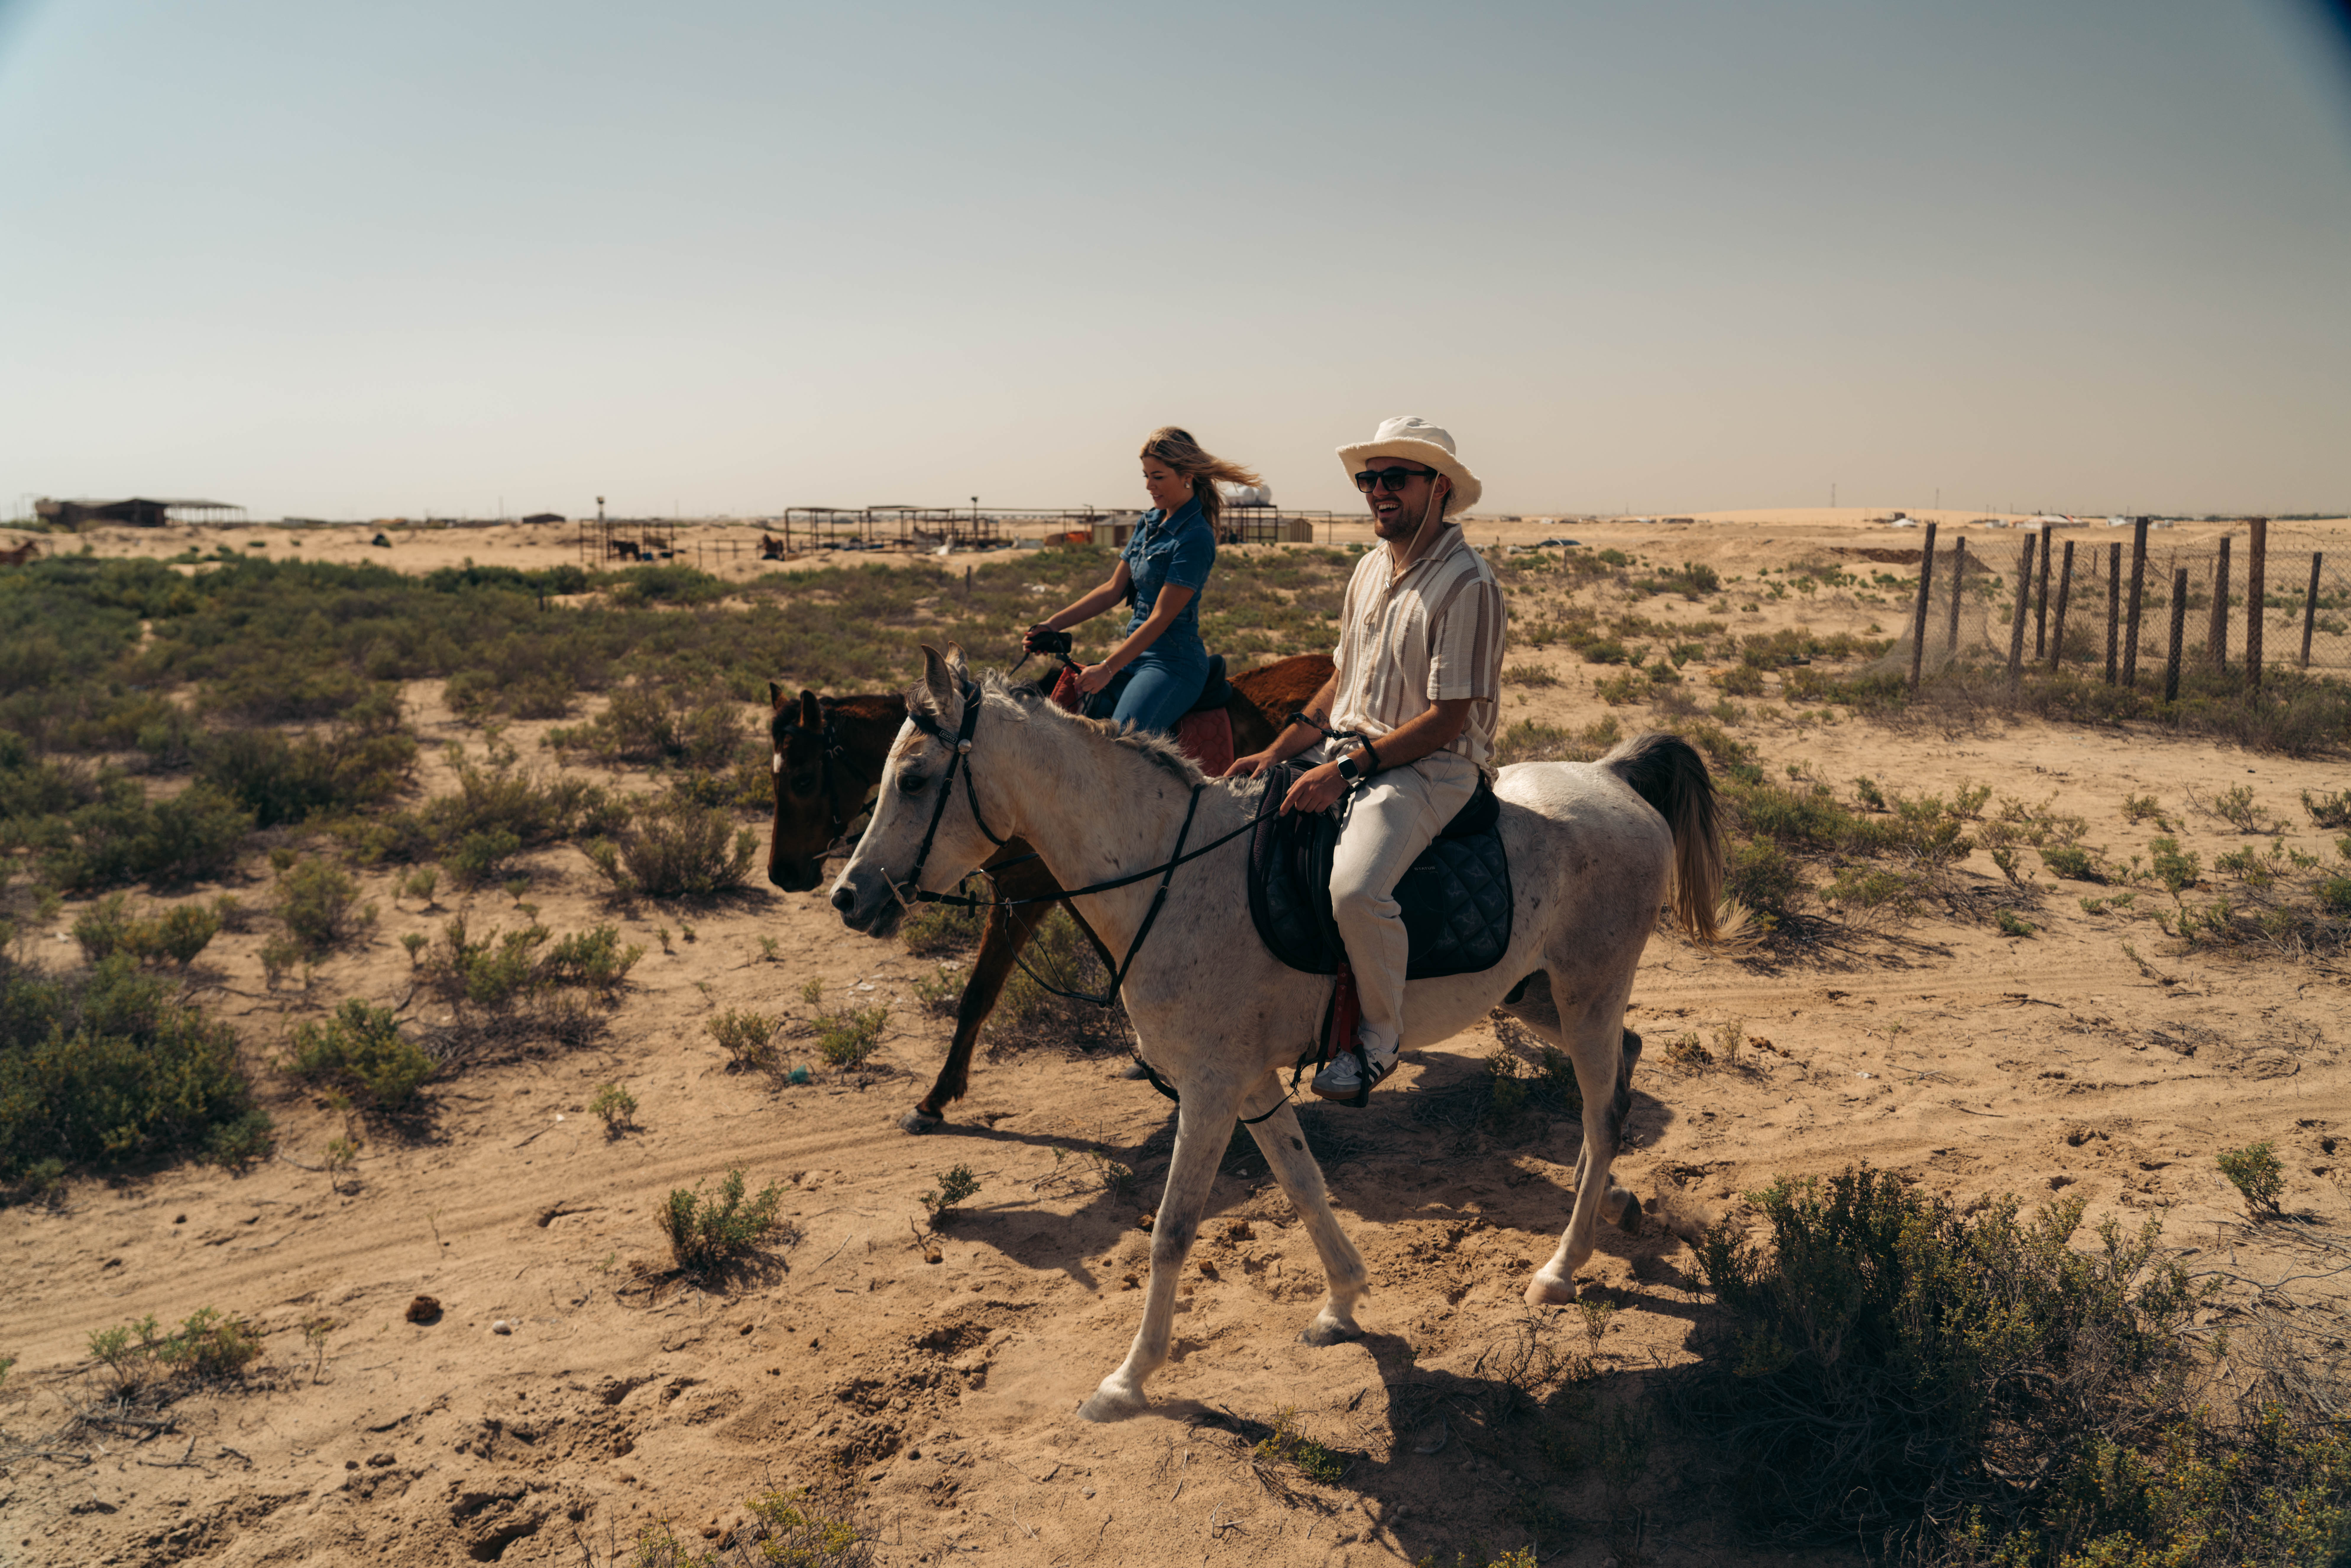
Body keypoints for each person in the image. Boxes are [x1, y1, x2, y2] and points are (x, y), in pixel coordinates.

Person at [1224, 416, 1504, 1103]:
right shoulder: (1370, 569)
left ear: (1439, 487)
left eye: (1394, 478)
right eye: (1368, 479)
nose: (1377, 491)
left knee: (1356, 891)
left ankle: (1378, 1038)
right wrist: (1277, 752)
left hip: (1431, 767)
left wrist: (1343, 772)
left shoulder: (1466, 583)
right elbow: (1340, 680)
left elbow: (1446, 720)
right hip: (1346, 750)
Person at [1024, 428, 1260, 733]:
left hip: (1171, 663)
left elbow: (1161, 617)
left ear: (1187, 476)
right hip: (1133, 654)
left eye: (1158, 477)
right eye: (1146, 476)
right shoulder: (1148, 523)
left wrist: (1107, 668)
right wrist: (1051, 625)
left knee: (1120, 743)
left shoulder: (1195, 537)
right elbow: (1112, 591)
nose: (1149, 486)